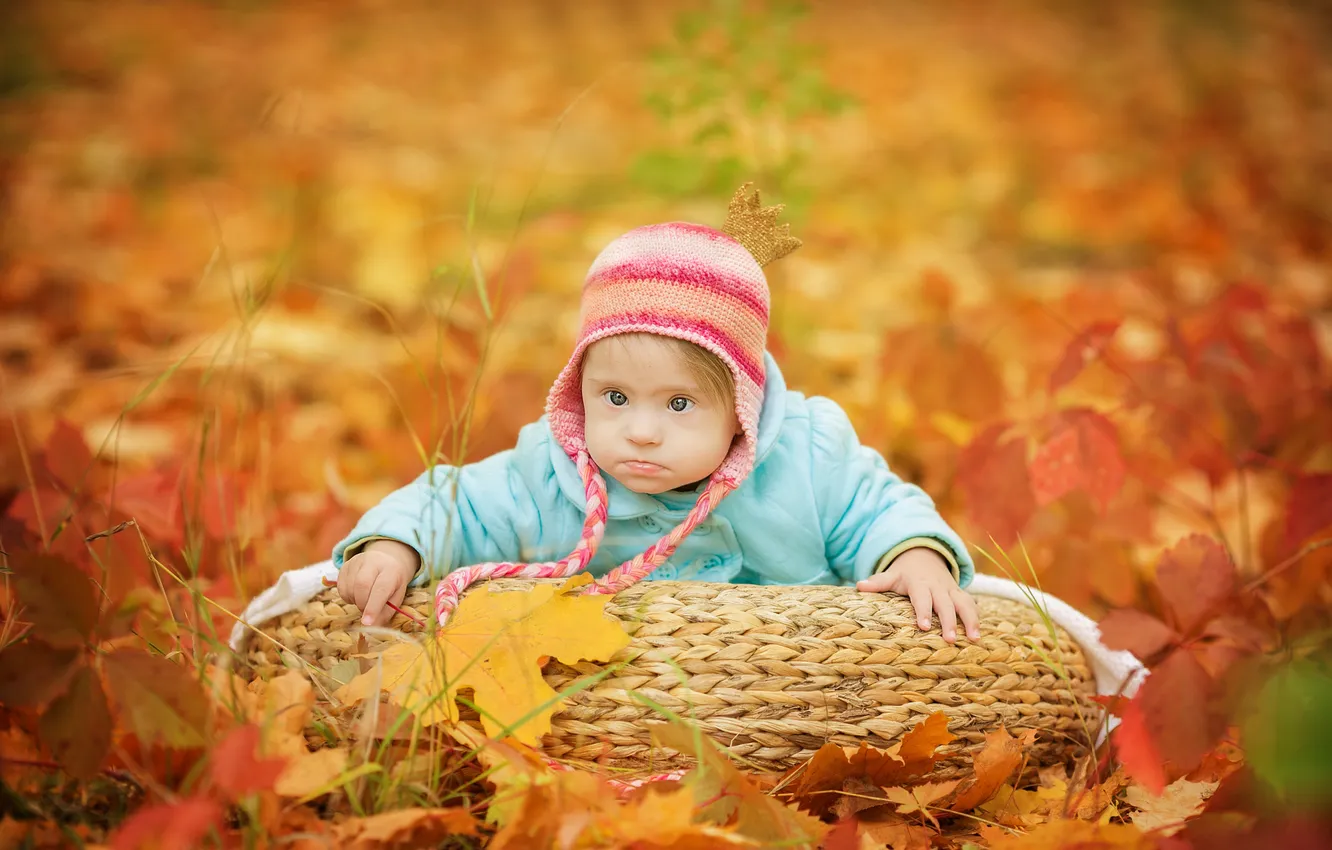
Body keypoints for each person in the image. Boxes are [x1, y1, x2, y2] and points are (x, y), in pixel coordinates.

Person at [333, 185, 981, 643]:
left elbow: (876, 508)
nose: (640, 430)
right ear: (578, 387)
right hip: (626, 708)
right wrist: (398, 541)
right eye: (613, 398)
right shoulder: (554, 475)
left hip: (794, 687)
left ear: (741, 409)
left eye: (679, 404)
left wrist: (916, 554)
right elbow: (460, 505)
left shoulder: (806, 459)